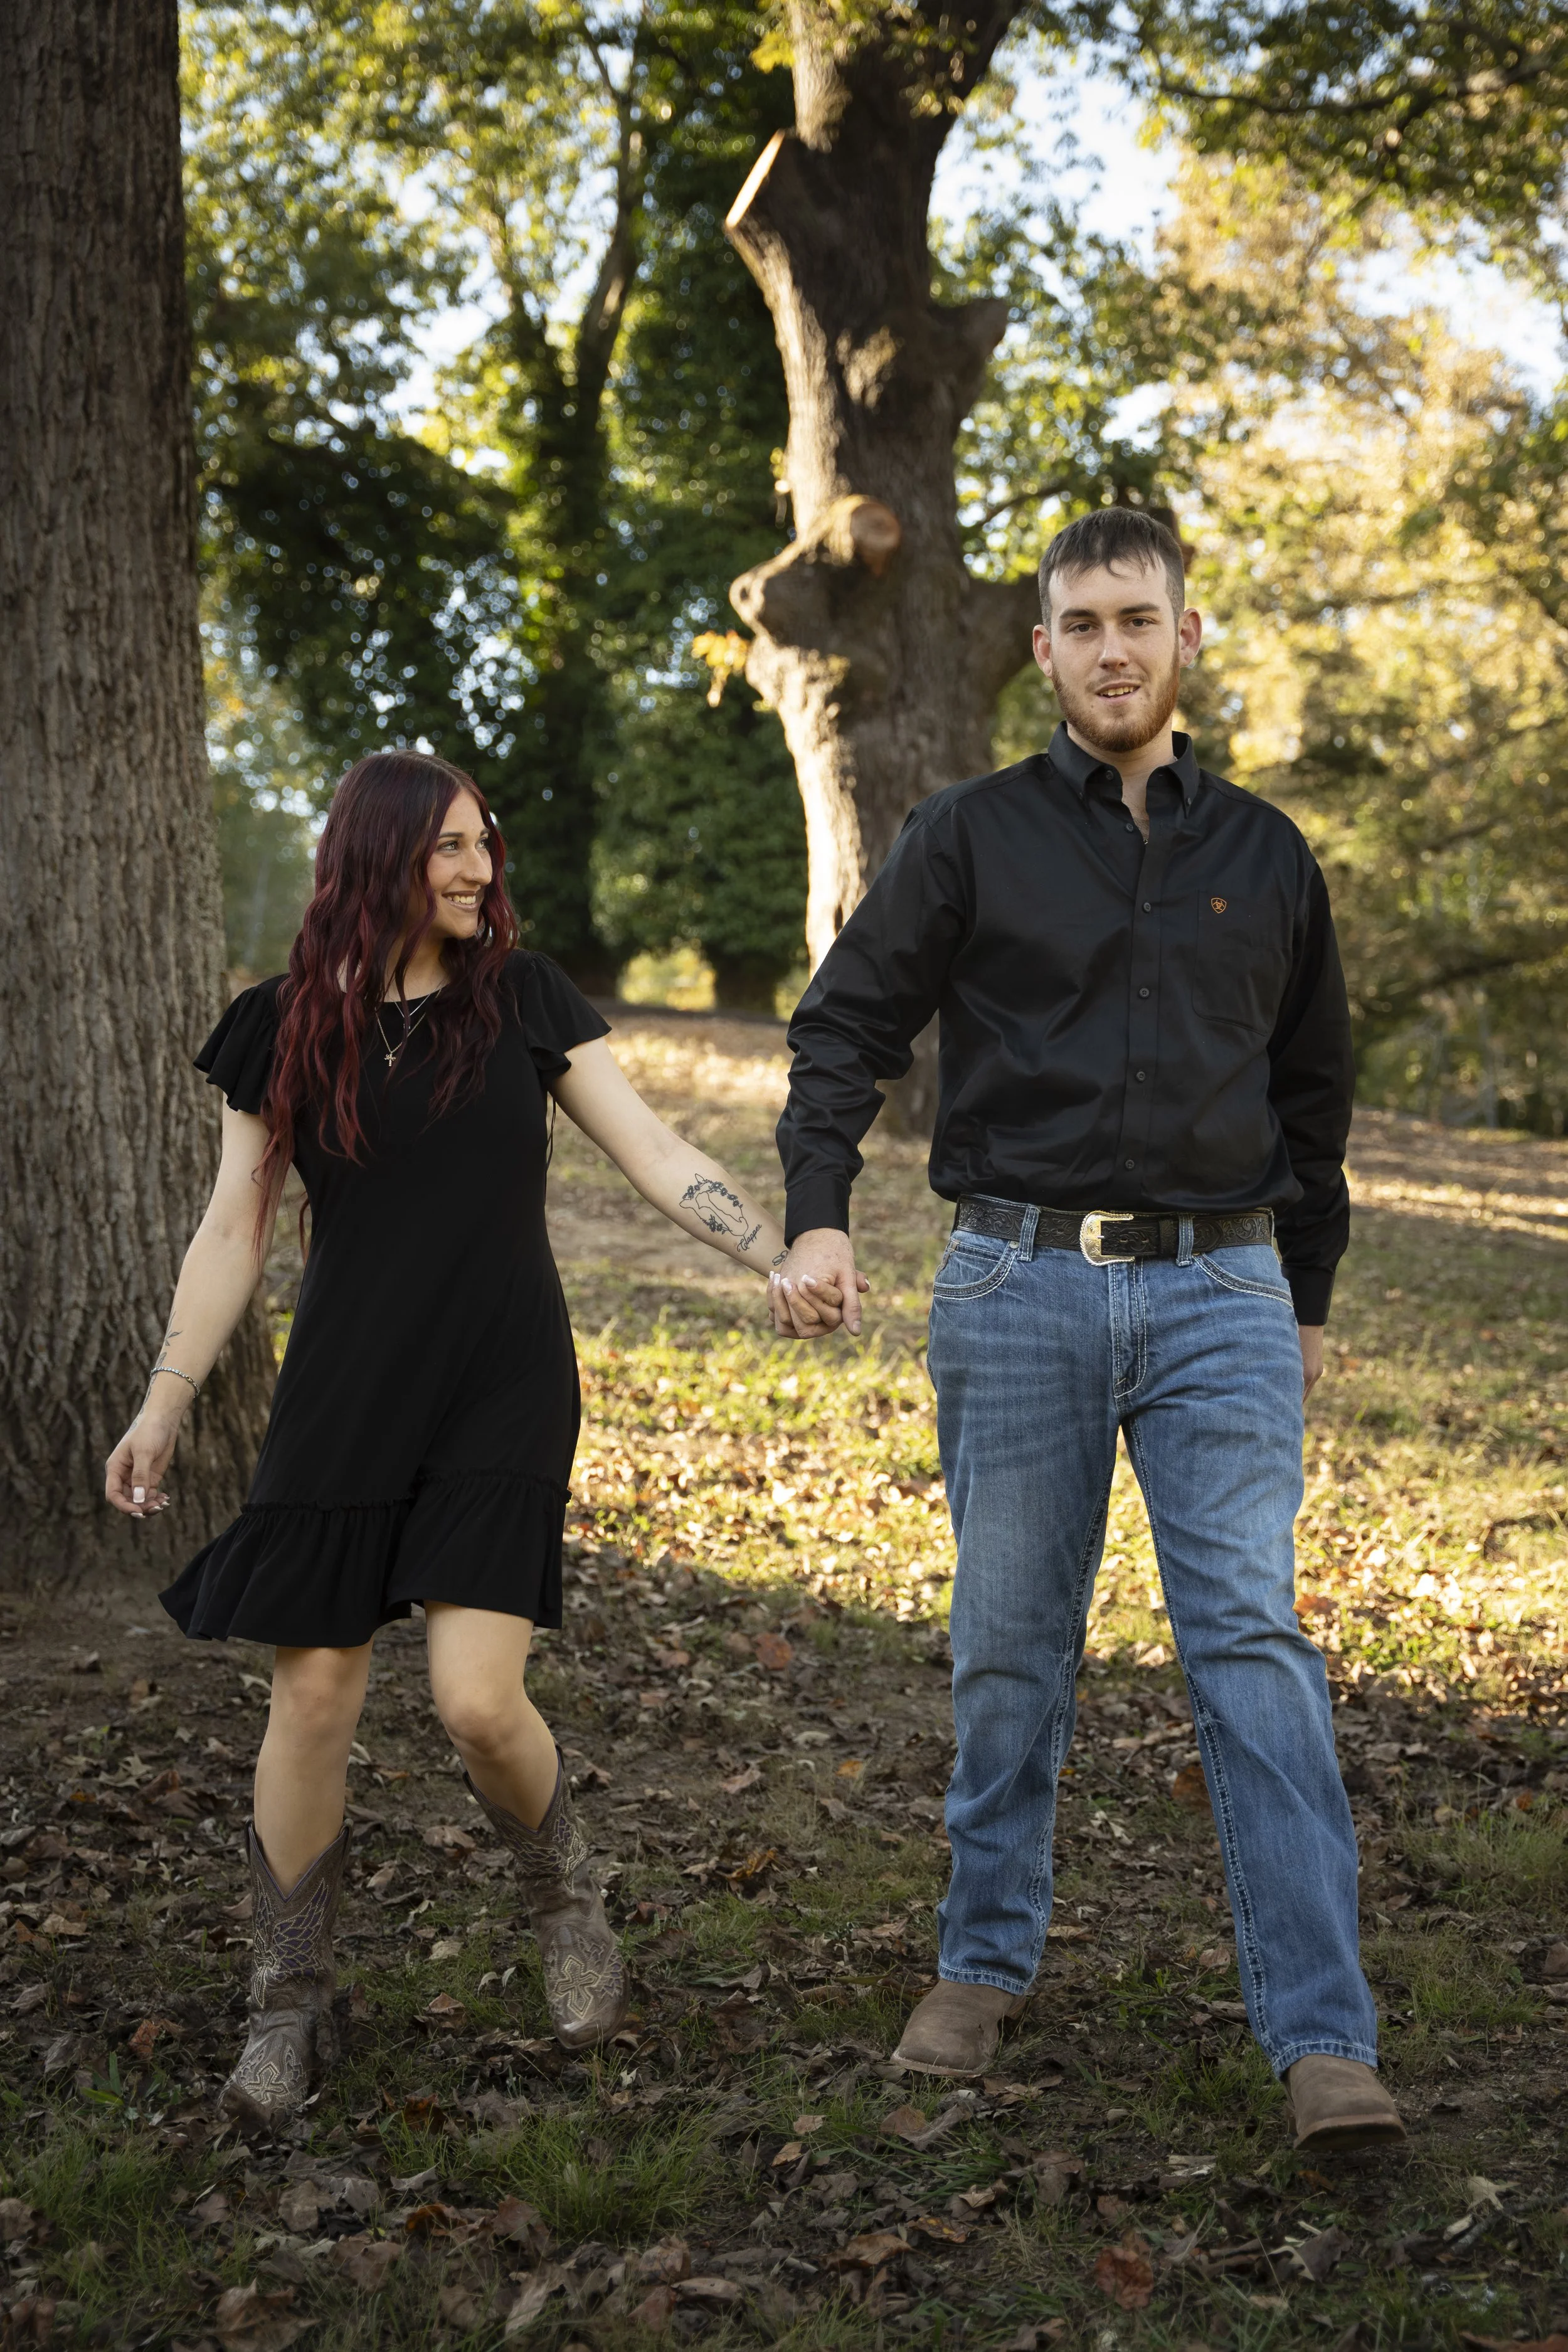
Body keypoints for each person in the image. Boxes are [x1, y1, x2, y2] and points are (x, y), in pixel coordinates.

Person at [765, 509, 1403, 2153]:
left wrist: (1305, 1296)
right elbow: (843, 1025)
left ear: (1185, 638)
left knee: (1250, 1644)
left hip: (1221, 1291)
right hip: (1015, 1281)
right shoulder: (969, 833)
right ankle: (978, 1963)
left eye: (1138, 617)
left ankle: (1323, 2038)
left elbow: (1313, 1091)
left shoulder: (1264, 854)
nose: (1111, 647)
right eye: (1080, 623)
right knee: (1006, 1644)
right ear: (1039, 650)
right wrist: (819, 1206)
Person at [105, 750, 798, 2132]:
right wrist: (167, 1395)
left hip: (501, 1378)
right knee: (311, 1696)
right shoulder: (281, 1024)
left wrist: (772, 1252)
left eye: (487, 845)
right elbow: (231, 1227)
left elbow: (654, 1151)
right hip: (347, 1386)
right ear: (381, 859)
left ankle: (565, 1898)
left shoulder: (524, 1003)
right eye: (452, 850)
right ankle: (290, 1993)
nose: (482, 870)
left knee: (478, 1703)